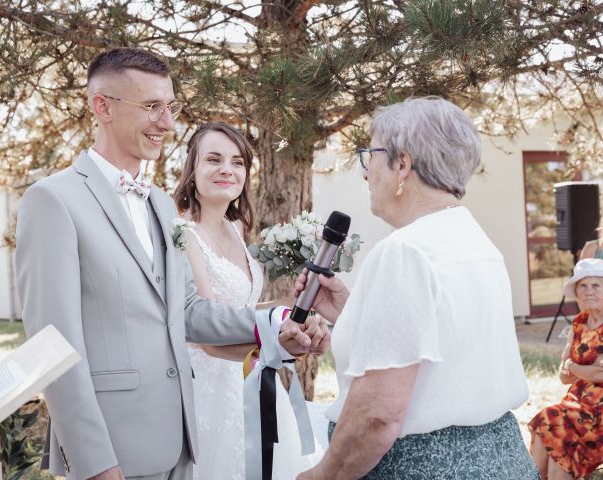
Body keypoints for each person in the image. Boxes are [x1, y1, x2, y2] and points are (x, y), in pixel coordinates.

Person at [15, 48, 328, 480]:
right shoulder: (53, 200)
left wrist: (275, 322)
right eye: (151, 107)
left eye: (170, 107)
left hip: (182, 446)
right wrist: (95, 462)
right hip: (114, 452)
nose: (167, 123)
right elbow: (55, 348)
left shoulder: (161, 204)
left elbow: (189, 313)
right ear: (101, 106)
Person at [294, 97, 539, 479]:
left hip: (423, 466)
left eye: (370, 155)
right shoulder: (475, 241)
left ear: (403, 165)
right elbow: (445, 349)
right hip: (501, 458)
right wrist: (351, 311)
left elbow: (378, 415)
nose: (365, 173)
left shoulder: (405, 251)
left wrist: (321, 475)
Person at [173, 121, 324, 479]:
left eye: (237, 161)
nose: (227, 169)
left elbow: (241, 311)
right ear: (192, 170)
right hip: (212, 389)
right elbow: (209, 333)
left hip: (252, 379)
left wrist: (290, 308)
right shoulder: (184, 235)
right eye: (213, 159)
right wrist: (277, 339)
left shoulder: (234, 228)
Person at [529, 259, 603, 480]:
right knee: (553, 433)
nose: (589, 291)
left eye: (596, 285)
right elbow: (563, 376)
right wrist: (584, 369)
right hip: (576, 404)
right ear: (576, 293)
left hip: (598, 413)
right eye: (583, 286)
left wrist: (573, 366)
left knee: (550, 420)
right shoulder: (578, 324)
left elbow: (600, 374)